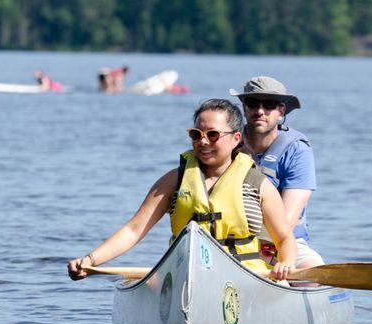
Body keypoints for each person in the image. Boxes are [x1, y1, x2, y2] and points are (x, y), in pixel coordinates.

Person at [68, 99, 296, 281]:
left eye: (213, 135)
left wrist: (285, 265)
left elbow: (285, 239)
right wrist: (91, 259)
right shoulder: (173, 181)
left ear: (236, 138)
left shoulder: (258, 184)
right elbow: (134, 230)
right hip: (186, 274)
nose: (203, 142)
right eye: (197, 135)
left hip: (245, 276)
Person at [230, 76, 324, 271]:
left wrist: (273, 258)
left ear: (281, 111)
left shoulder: (297, 150)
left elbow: (287, 221)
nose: (260, 111)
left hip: (285, 241)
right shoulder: (226, 143)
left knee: (313, 273)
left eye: (269, 104)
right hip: (231, 240)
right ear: (244, 106)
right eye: (253, 103)